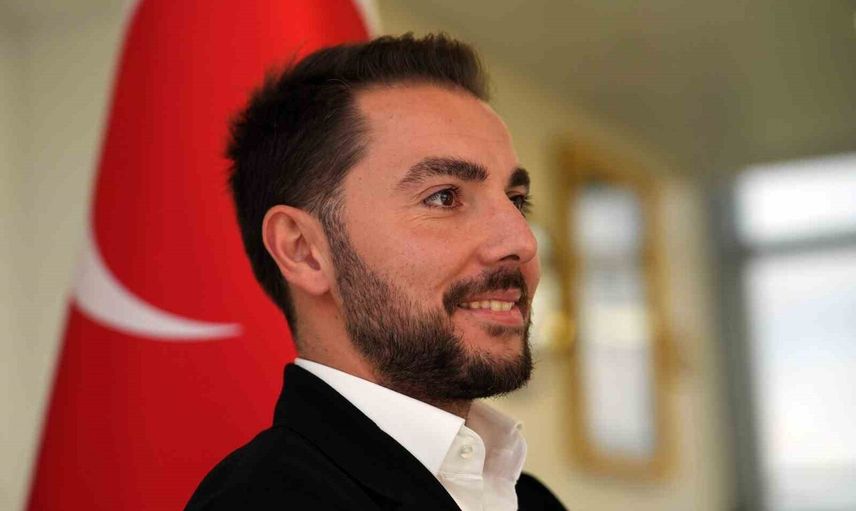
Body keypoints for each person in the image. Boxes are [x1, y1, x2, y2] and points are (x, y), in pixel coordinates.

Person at [185, 33, 566, 511]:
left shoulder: (532, 501)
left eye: (516, 201)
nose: (523, 242)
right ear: (304, 251)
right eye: (444, 197)